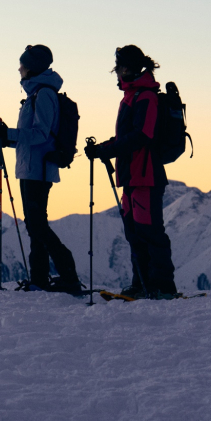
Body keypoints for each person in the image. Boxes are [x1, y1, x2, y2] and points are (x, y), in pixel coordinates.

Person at [85, 45, 180, 299]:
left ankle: (162, 286)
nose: (116, 73)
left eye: (117, 68)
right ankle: (142, 283)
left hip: (146, 175)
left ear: (126, 68)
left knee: (149, 231)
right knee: (134, 232)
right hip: (131, 175)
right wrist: (105, 148)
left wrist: (108, 150)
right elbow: (127, 137)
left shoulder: (145, 96)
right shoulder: (132, 96)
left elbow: (143, 135)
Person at [0, 45, 80, 294]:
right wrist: (7, 138)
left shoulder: (44, 95)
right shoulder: (36, 94)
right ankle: (39, 279)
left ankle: (68, 275)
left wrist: (9, 134)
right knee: (34, 225)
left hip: (38, 170)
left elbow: (42, 134)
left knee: (37, 226)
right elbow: (32, 136)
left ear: (31, 67)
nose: (19, 69)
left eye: (23, 64)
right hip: (30, 168)